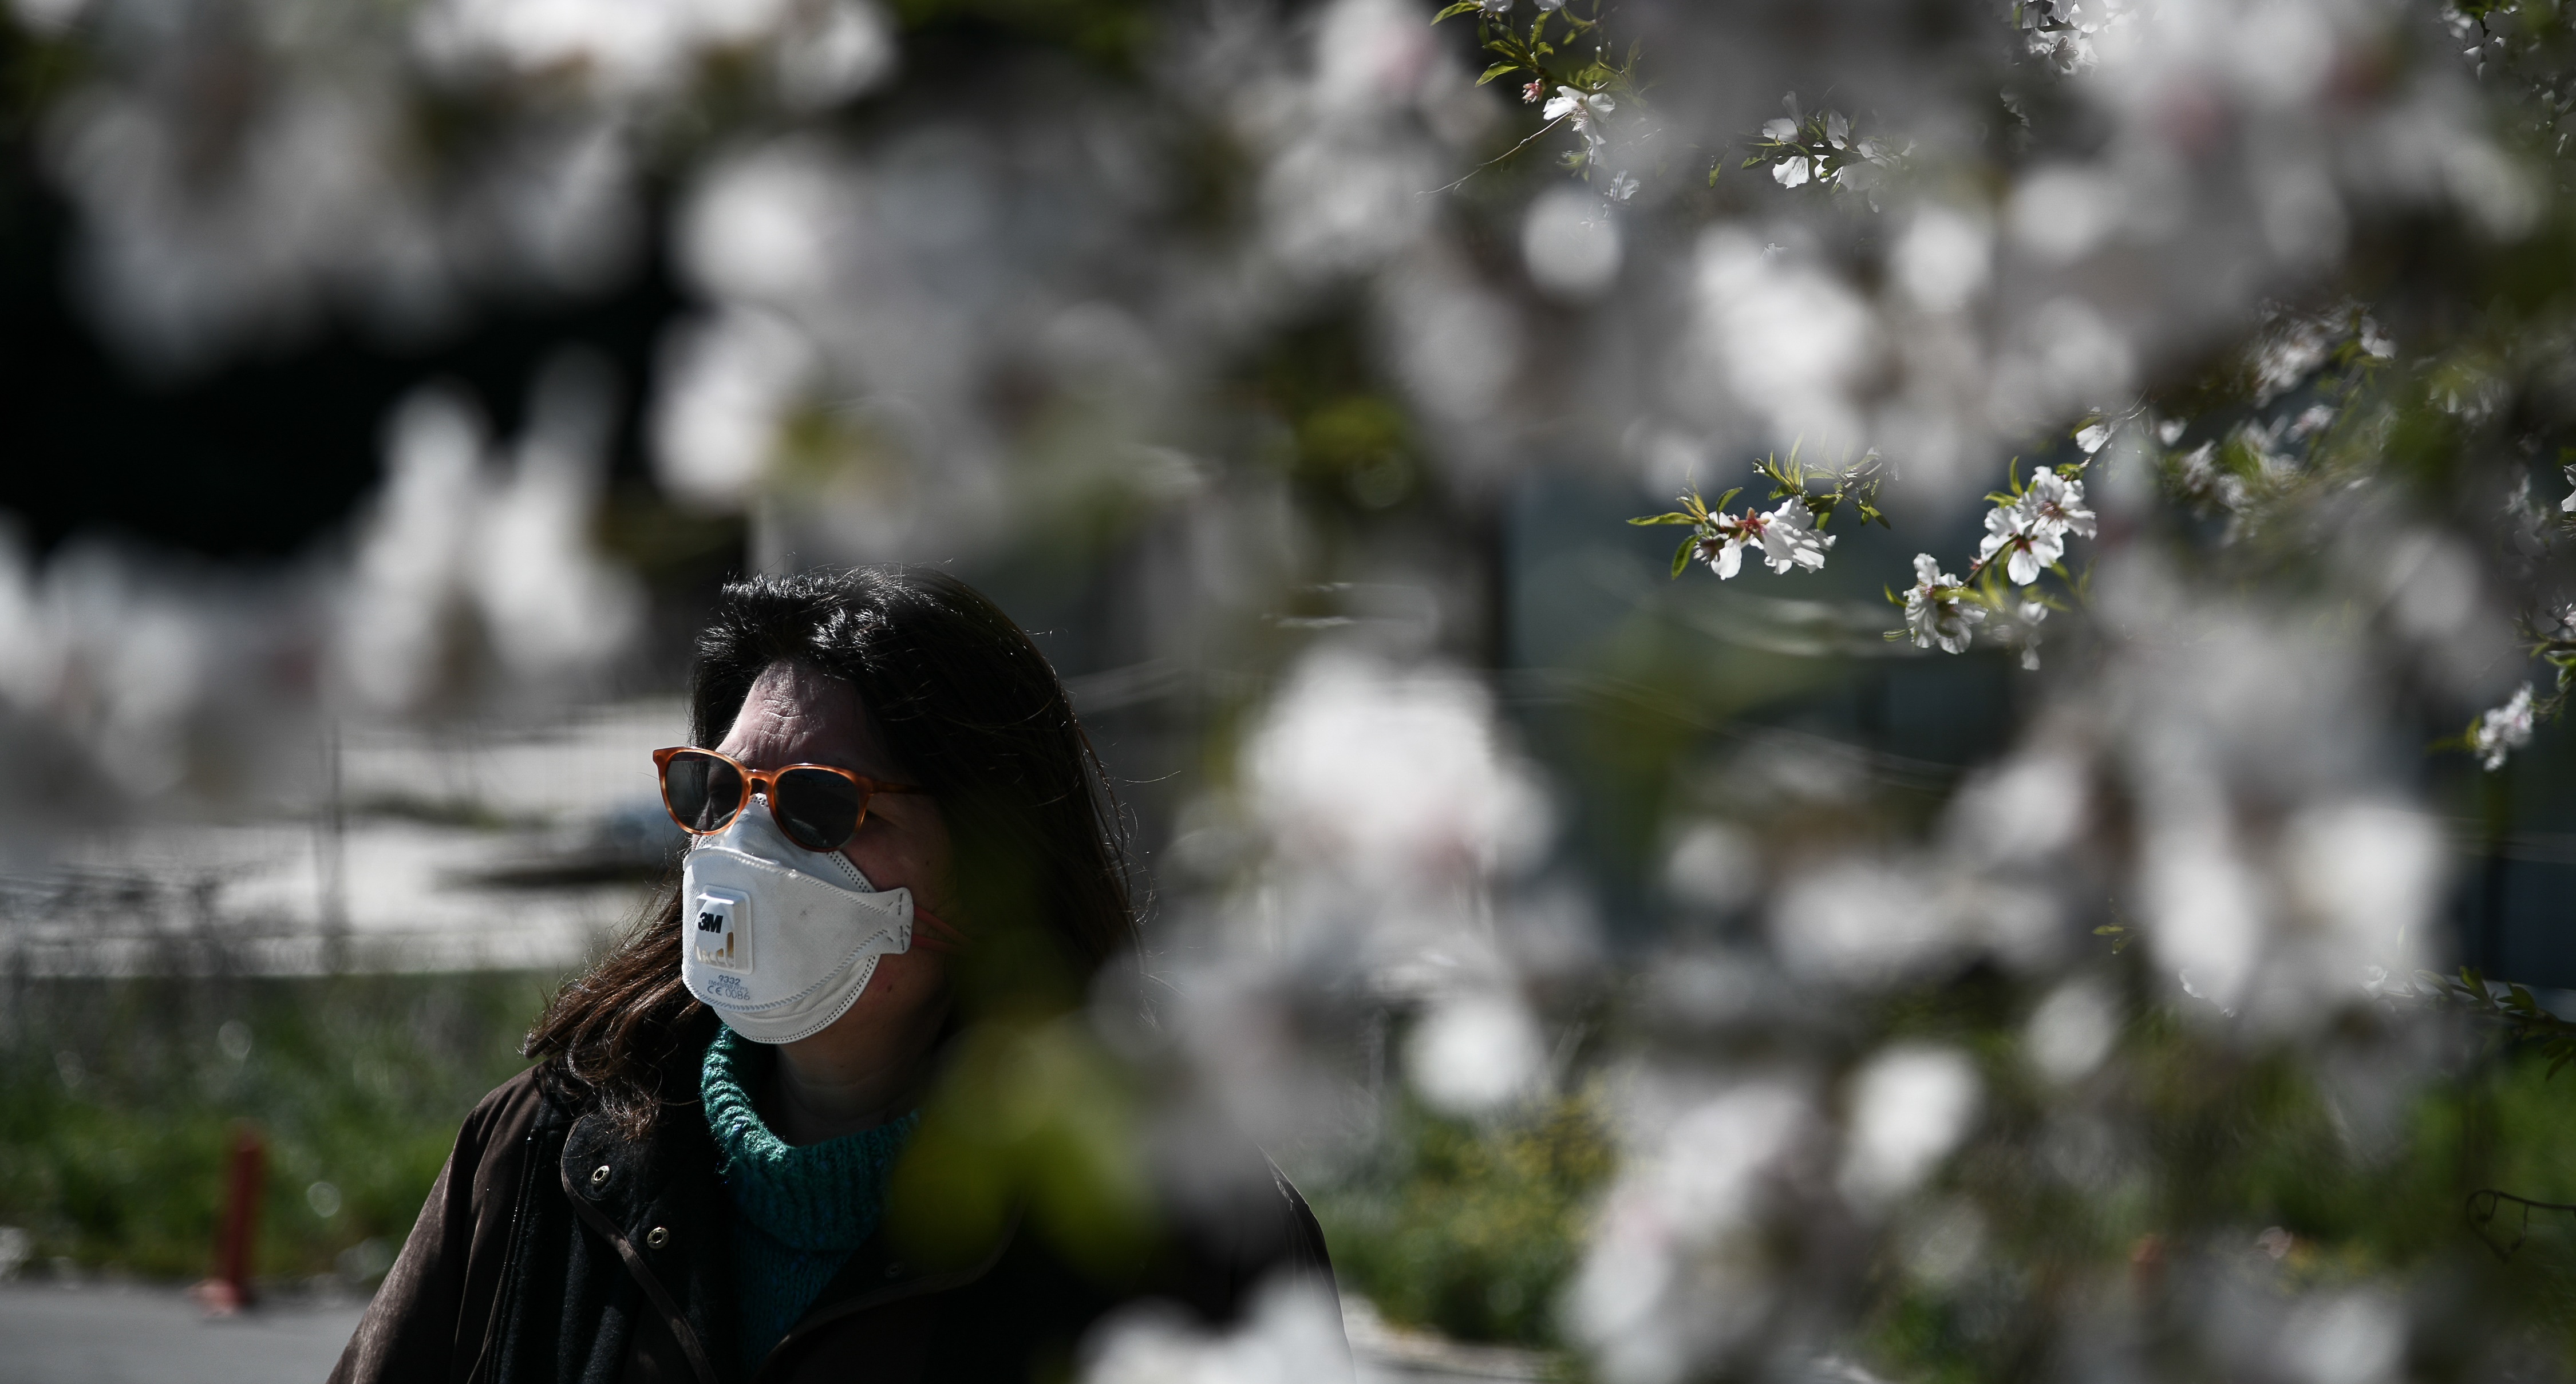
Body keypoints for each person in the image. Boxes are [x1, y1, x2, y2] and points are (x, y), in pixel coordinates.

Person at [331, 568, 1341, 1383]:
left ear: (995, 865)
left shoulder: (1178, 1229)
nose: (744, 843)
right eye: (714, 789)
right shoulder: (537, 1156)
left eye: (822, 805)